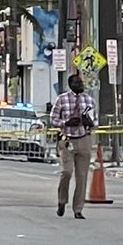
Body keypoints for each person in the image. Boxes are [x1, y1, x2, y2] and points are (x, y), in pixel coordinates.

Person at [49, 73, 97, 219]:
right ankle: (62, 201)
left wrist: (88, 121)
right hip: (67, 140)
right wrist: (66, 123)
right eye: (77, 83)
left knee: (82, 176)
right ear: (70, 85)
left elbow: (95, 121)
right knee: (67, 172)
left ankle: (78, 209)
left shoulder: (89, 100)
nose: (80, 85)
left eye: (81, 83)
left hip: (84, 139)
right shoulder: (62, 99)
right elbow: (52, 118)